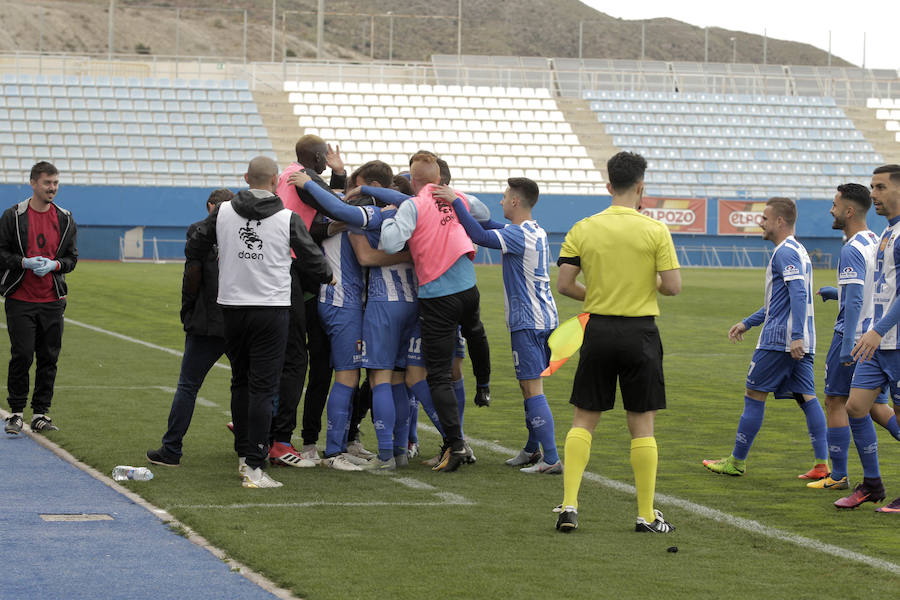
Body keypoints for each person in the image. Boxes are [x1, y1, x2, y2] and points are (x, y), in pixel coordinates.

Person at [186, 156, 332, 488]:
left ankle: (243, 457)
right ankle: (255, 466)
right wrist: (328, 276)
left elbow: (195, 242)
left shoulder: (223, 212)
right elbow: (313, 261)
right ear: (276, 180)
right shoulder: (286, 217)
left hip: (232, 307)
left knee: (240, 382)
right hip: (271, 309)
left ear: (245, 177)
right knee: (264, 387)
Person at [554, 151, 680, 533]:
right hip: (640, 332)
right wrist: (645, 285)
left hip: (598, 330)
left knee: (584, 419)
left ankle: (569, 506)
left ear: (609, 185)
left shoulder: (583, 227)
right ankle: (645, 515)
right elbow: (672, 287)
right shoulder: (655, 230)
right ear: (641, 186)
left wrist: (595, 297)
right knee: (642, 425)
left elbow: (563, 284)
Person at [375, 151, 493, 472]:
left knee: (437, 375)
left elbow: (389, 243)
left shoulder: (413, 205)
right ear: (440, 178)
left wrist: (388, 216)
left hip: (437, 296)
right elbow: (483, 211)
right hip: (468, 288)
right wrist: (456, 195)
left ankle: (455, 444)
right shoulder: (458, 200)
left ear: (413, 181)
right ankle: (484, 385)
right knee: (475, 332)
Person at [436, 177, 562, 474]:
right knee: (527, 385)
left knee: (532, 388)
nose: (502, 201)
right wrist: (459, 202)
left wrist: (454, 201)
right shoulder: (535, 230)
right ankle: (533, 449)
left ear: (516, 201)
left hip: (528, 321)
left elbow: (479, 234)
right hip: (545, 318)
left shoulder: (517, 235)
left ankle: (552, 459)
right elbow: (490, 223)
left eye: (505, 197)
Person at [703, 197, 828, 481]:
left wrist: (794, 336)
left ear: (780, 222)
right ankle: (822, 463)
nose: (760, 222)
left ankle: (736, 461)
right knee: (807, 398)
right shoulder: (799, 250)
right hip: (802, 340)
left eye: (765, 218)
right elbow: (781, 300)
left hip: (779, 342)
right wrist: (748, 322)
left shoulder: (785, 252)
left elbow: (797, 293)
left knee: (754, 394)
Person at [808, 184, 900, 491]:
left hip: (854, 337)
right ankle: (858, 479)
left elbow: (857, 299)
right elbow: (875, 288)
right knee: (872, 407)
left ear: (848, 211)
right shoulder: (876, 241)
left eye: (834, 205)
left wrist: (847, 345)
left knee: (836, 401)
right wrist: (838, 292)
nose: (831, 211)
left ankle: (838, 475)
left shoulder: (850, 248)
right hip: (878, 337)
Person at [146, 189, 234, 467]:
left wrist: (187, 310)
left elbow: (192, 275)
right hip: (239, 318)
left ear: (210, 206)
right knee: (247, 384)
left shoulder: (198, 230)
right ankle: (253, 446)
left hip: (207, 320)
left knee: (188, 385)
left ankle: (172, 449)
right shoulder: (243, 231)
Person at [836, 164, 900, 512]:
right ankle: (872, 485)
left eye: (879, 187)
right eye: (872, 188)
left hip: (894, 342)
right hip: (875, 342)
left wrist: (877, 330)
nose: (873, 194)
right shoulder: (887, 234)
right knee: (856, 406)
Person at [1, 161, 78, 435]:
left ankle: (41, 413)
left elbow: (71, 258)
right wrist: (23, 262)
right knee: (21, 355)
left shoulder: (65, 218)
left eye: (55, 183)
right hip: (20, 298)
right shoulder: (14, 216)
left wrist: (55, 265)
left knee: (49, 357)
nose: (52, 188)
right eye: (47, 183)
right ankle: (17, 413)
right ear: (33, 183)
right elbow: (1, 253)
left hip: (52, 300)